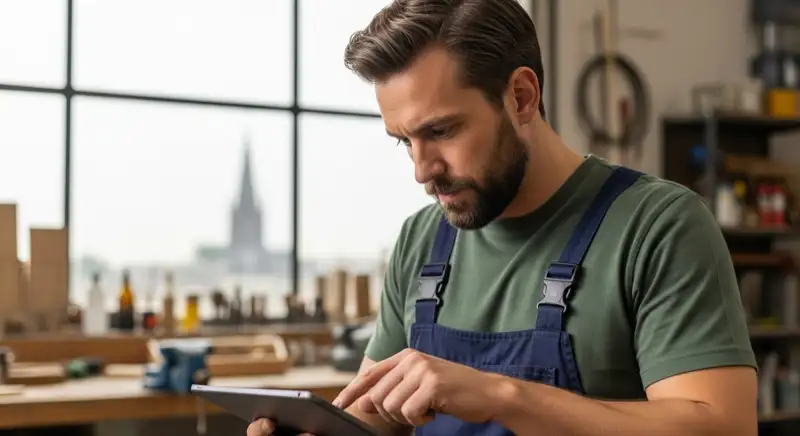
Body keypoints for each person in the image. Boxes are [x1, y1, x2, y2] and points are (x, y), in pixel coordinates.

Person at [249, 0, 758, 435]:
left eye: (442, 131)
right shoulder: (421, 240)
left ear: (521, 97)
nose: (423, 171)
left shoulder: (658, 227)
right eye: (406, 142)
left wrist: (503, 396)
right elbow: (376, 414)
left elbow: (724, 427)